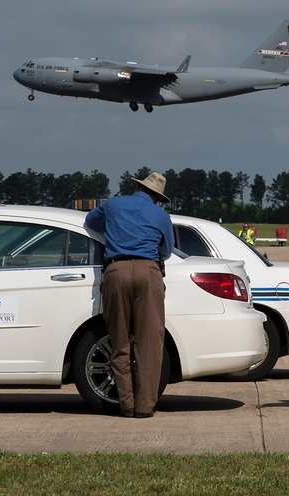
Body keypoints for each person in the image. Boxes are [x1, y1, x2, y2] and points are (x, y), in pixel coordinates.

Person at [84, 171, 175, 418]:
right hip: (148, 272)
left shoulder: (113, 205)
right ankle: (145, 407)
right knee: (149, 343)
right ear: (157, 197)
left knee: (119, 341)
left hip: (116, 270)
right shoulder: (161, 215)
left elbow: (90, 222)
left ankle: (126, 404)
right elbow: (166, 251)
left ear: (137, 187)